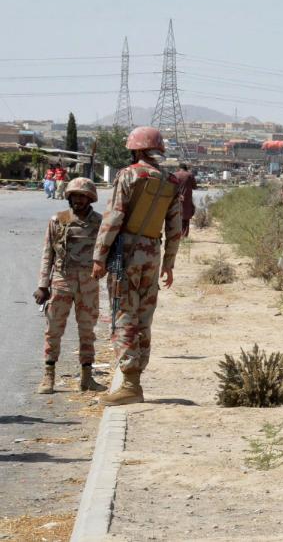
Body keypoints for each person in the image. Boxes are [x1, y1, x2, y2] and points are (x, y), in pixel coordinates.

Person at [91, 126, 183, 405]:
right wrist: (169, 263)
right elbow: (175, 227)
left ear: (136, 149)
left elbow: (114, 218)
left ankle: (130, 383)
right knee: (144, 317)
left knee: (123, 313)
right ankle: (135, 380)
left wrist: (99, 256)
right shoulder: (170, 180)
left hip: (125, 254)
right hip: (152, 254)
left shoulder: (128, 175)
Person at [33, 177, 107, 394]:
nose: (79, 200)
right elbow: (48, 254)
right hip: (62, 282)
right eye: (75, 195)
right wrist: (43, 285)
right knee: (53, 329)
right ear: (69, 197)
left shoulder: (100, 223)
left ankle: (87, 377)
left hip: (89, 284)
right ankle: (48, 376)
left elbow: (107, 254)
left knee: (87, 331)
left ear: (90, 198)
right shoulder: (58, 220)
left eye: (83, 196)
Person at [173, 163, 198, 237]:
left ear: (179, 168)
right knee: (186, 218)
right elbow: (195, 187)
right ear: (186, 168)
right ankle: (184, 236)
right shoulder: (190, 175)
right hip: (187, 200)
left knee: (176, 218)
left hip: (176, 199)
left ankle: (176, 235)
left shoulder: (175, 175)